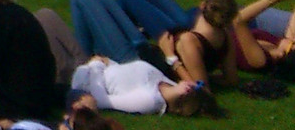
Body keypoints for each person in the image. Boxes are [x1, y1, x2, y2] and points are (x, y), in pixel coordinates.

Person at [68, 56, 221, 117]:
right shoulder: (170, 85)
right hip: (93, 65)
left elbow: (101, 100)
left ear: (188, 92)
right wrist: (107, 61)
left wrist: (96, 65)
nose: (194, 82)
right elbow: (126, 73)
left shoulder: (150, 100)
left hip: (81, 78)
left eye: (197, 86)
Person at [156, 0, 237, 90]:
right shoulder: (226, 35)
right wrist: (208, 77)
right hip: (156, 65)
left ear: (202, 5)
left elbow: (201, 87)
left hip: (154, 64)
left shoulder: (189, 40)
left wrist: (171, 57)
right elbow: (231, 80)